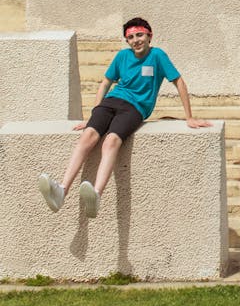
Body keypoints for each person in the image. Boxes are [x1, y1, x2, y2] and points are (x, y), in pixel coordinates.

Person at [38, 17, 210, 219]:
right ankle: (61, 190)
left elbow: (178, 81)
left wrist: (189, 117)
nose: (136, 40)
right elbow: (105, 83)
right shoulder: (122, 56)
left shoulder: (158, 56)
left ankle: (96, 194)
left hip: (135, 108)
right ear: (127, 41)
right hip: (111, 101)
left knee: (111, 141)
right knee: (88, 136)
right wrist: (93, 115)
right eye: (130, 37)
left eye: (140, 35)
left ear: (149, 36)